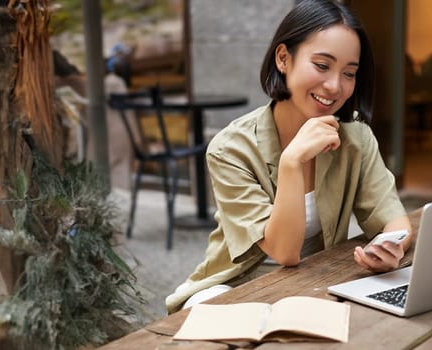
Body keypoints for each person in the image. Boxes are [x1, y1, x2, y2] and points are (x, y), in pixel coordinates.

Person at [165, 0, 412, 314]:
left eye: (349, 73)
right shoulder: (231, 148)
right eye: (322, 66)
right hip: (236, 288)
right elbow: (284, 251)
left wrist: (390, 247)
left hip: (313, 283)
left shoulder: (355, 139)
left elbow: (392, 216)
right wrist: (292, 161)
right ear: (283, 58)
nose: (335, 86)